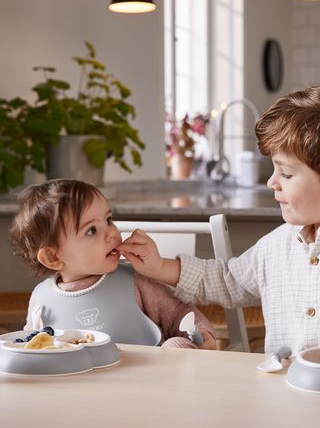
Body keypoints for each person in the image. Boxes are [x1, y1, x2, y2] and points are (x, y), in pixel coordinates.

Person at [117, 85, 320, 356]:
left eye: (285, 173)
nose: (271, 182)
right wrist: (158, 266)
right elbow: (225, 280)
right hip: (282, 393)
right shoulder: (275, 247)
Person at [10, 179, 216, 350]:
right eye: (91, 230)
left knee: (176, 346)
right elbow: (31, 346)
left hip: (148, 384)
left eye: (108, 220)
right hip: (78, 390)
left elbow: (179, 315)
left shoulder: (135, 281)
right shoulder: (41, 299)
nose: (112, 233)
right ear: (53, 258)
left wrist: (202, 334)